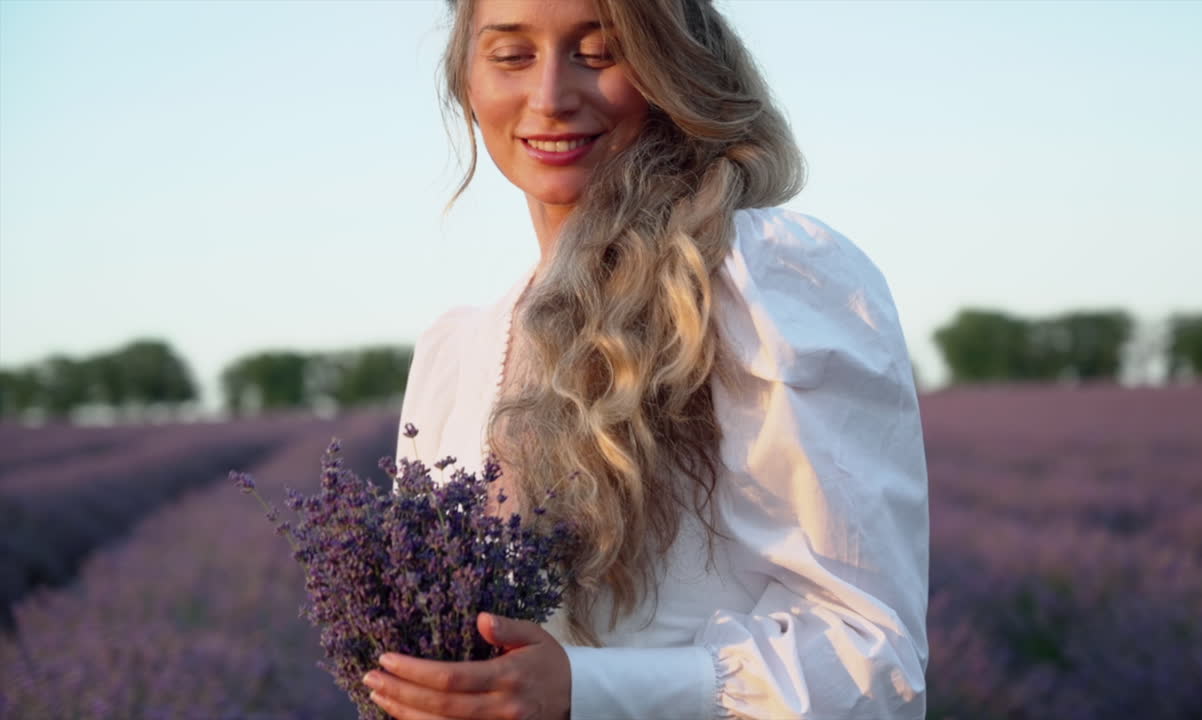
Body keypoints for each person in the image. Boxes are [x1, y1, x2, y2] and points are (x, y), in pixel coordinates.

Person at [367, 0, 929, 718]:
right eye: (512, 57)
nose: (550, 97)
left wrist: (586, 691)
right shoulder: (454, 351)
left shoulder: (760, 279)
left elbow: (873, 660)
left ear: (673, 68)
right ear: (466, 85)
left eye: (599, 54)